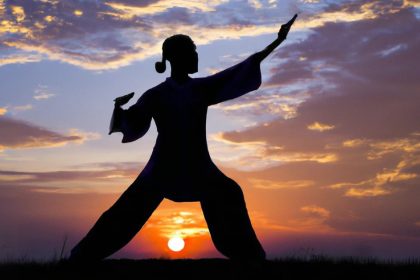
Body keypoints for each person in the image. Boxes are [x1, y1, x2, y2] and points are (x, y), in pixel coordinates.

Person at [69, 14, 297, 262]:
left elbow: (240, 69)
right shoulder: (157, 95)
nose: (197, 56)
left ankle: (249, 258)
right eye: (192, 51)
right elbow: (133, 122)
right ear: (177, 57)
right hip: (162, 169)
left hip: (199, 167)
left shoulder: (200, 89)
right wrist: (118, 108)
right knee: (124, 213)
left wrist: (277, 42)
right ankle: (81, 256)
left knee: (229, 192)